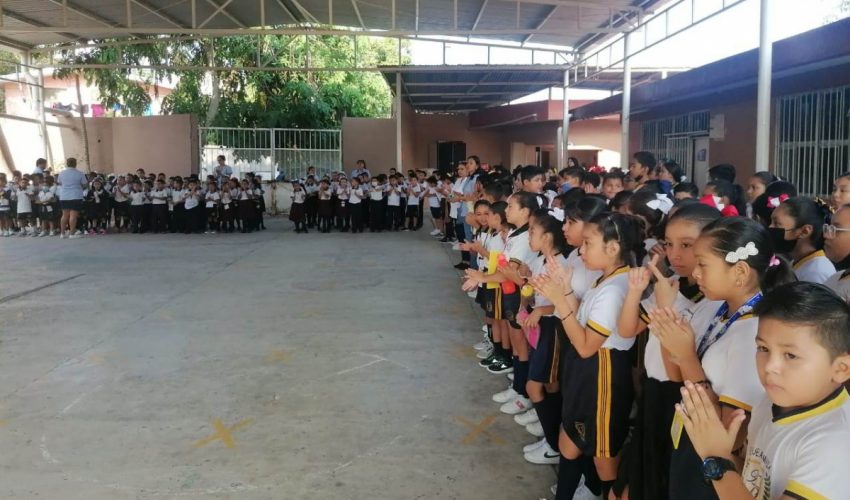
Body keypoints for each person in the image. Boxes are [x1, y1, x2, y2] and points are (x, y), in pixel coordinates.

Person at [648, 217, 796, 500]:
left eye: (703, 264)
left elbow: (732, 433)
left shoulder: (755, 334)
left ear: (740, 271)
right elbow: (679, 377)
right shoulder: (718, 308)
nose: (695, 272)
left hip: (715, 461)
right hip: (692, 439)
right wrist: (672, 342)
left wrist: (688, 357)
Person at [675, 281, 850, 500]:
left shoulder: (835, 444)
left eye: (790, 355)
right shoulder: (767, 402)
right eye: (763, 348)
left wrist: (715, 459)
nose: (769, 366)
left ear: (841, 368)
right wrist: (724, 453)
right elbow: (754, 477)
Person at [614, 203, 721, 500]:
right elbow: (627, 330)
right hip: (655, 389)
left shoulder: (713, 300)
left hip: (679, 397)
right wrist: (637, 290)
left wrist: (665, 308)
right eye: (670, 244)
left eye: (687, 245)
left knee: (657, 479)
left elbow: (676, 372)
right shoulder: (673, 284)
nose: (675, 254)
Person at [768, 197, 834, 283]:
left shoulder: (816, 273)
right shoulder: (798, 261)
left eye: (777, 223)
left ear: (805, 231)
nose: (770, 227)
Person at [56, 157, 88, 239]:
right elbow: (85, 184)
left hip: (64, 196)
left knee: (64, 215)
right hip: (75, 195)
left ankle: (62, 234)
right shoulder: (80, 173)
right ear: (75, 164)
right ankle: (72, 233)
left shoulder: (61, 173)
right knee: (73, 215)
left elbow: (59, 183)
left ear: (67, 163)